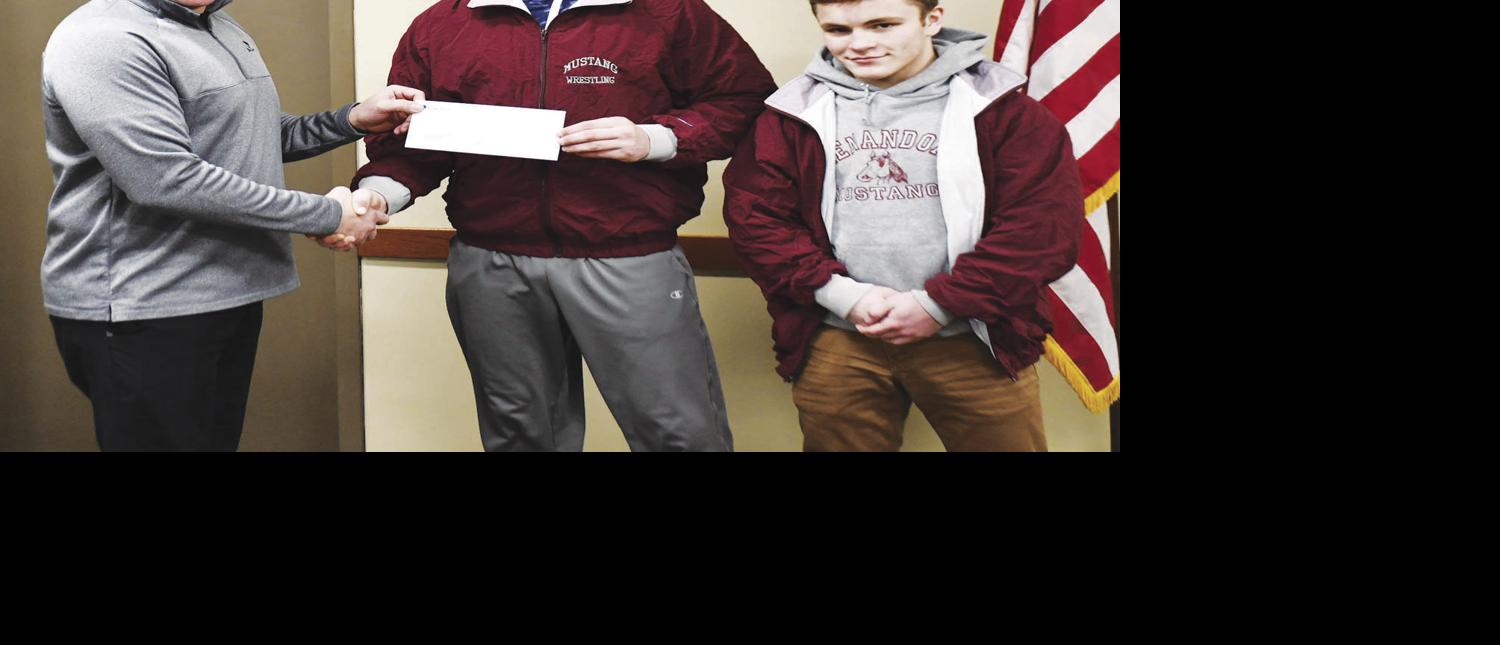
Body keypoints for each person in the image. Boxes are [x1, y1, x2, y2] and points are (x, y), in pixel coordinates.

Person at [351, 0, 775, 452]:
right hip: (491, 262)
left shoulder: (666, 12)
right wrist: (379, 194)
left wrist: (656, 138)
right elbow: (407, 138)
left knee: (677, 432)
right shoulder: (443, 23)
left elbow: (744, 99)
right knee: (519, 436)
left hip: (627, 255)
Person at [41, 0, 425, 451]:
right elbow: (166, 179)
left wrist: (351, 119)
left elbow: (253, 137)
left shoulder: (217, 24)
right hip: (142, 304)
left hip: (227, 292)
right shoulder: (103, 37)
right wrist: (327, 214)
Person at [723, 0, 1083, 452]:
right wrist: (843, 296)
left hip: (975, 336)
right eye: (838, 30)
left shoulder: (1002, 110)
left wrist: (939, 304)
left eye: (882, 25)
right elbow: (758, 221)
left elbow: (1041, 229)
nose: (859, 44)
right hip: (839, 336)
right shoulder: (790, 115)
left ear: (932, 20)